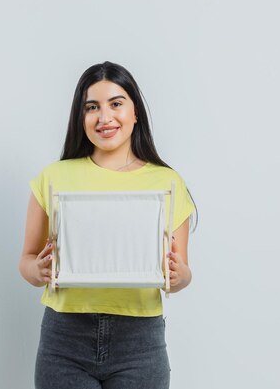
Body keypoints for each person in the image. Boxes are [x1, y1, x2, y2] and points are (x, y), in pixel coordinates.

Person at [19, 61, 198, 389]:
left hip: (139, 343)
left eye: (116, 103)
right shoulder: (54, 177)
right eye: (92, 107)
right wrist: (39, 270)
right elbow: (27, 262)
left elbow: (178, 275)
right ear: (81, 117)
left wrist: (180, 275)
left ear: (135, 113)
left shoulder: (167, 182)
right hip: (64, 341)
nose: (104, 117)